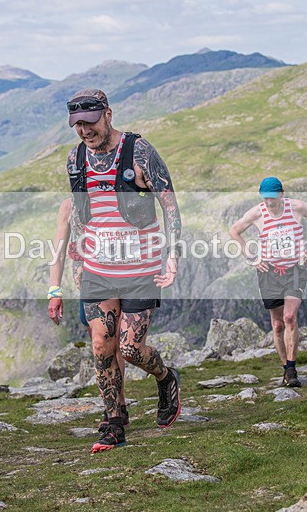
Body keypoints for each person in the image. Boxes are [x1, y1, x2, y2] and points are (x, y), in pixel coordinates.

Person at [65, 88, 182, 454]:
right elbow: (80, 210)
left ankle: (165, 378)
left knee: (130, 349)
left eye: (90, 122)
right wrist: (77, 259)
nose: (84, 131)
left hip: (140, 268)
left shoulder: (140, 151)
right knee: (102, 346)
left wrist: (173, 255)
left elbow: (170, 207)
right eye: (77, 125)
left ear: (108, 115)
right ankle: (113, 421)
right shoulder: (75, 158)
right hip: (98, 268)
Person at [229, 177, 307, 387]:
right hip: (269, 273)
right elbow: (234, 231)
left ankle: (292, 370)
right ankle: (285, 368)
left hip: (294, 270)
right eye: (265, 199)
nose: (269, 203)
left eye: (273, 198)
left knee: (290, 316)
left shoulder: (297, 207)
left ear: (281, 194)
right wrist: (251, 258)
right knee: (277, 323)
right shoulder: (257, 212)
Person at [47, 197, 129, 429]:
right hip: (89, 283)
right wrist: (54, 290)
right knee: (102, 344)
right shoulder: (69, 205)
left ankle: (117, 407)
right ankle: (116, 408)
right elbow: (58, 250)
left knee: (119, 346)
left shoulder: (118, 196)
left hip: (122, 277)